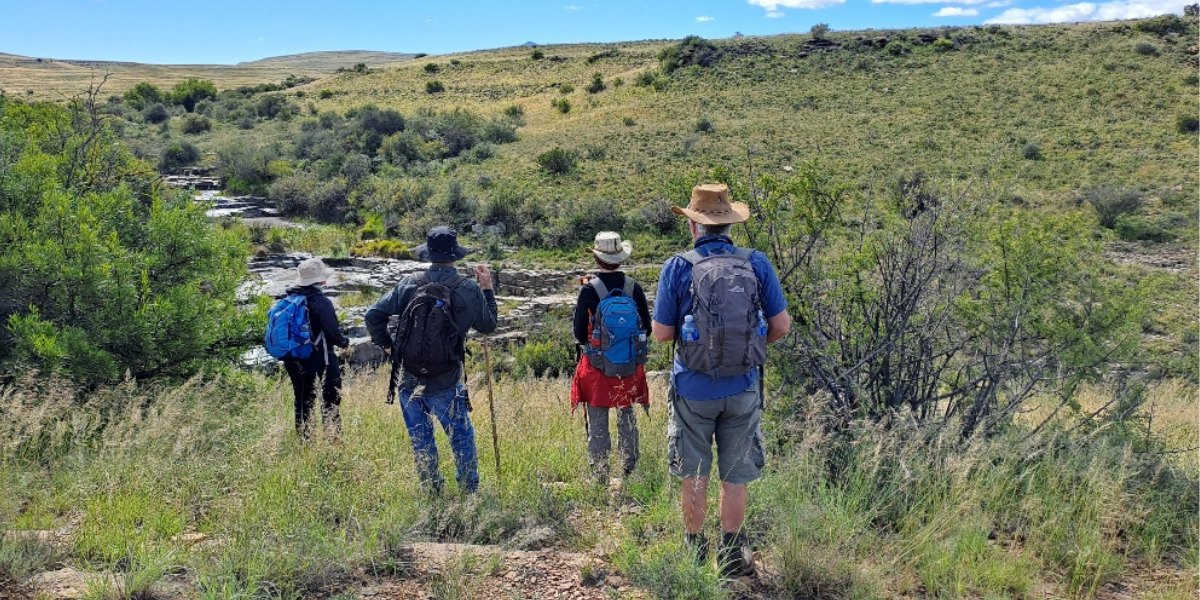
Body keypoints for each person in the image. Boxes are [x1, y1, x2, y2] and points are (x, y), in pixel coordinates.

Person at [652, 183, 791, 578]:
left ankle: (694, 556)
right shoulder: (757, 262)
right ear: (731, 224)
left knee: (694, 474)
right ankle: (731, 559)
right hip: (743, 387)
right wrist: (748, 348)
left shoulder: (678, 265)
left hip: (693, 388)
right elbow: (781, 326)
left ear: (694, 226)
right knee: (735, 476)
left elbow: (662, 334)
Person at [365, 226, 497, 495]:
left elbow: (373, 315)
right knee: (460, 434)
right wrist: (487, 289)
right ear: (455, 255)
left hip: (409, 375)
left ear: (429, 254)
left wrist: (389, 347)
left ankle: (431, 491)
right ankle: (468, 491)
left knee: (421, 439)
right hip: (446, 377)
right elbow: (488, 326)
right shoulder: (468, 287)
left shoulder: (410, 282)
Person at [570, 231, 652, 483]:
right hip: (627, 365)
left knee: (598, 421)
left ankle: (600, 474)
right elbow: (646, 328)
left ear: (597, 258)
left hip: (596, 367)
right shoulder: (633, 287)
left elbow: (578, 333)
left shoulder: (589, 290)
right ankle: (629, 468)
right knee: (626, 415)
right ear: (620, 258)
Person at [281, 257, 350, 439]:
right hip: (319, 356)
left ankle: (305, 440)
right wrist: (344, 342)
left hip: (293, 357)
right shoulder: (321, 302)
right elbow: (332, 333)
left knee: (303, 398)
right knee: (330, 399)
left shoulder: (289, 299)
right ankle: (333, 439)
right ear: (319, 280)